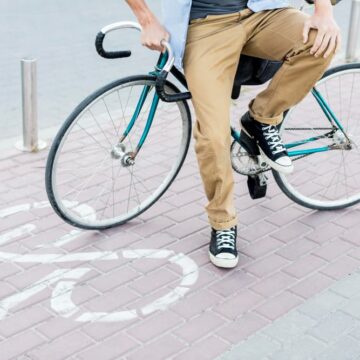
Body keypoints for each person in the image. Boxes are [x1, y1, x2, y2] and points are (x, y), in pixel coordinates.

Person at [125, 0, 341, 268]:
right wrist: (146, 20)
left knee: (321, 40)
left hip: (263, 12)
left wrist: (323, 11)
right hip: (206, 27)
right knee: (214, 136)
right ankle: (223, 222)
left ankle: (261, 119)